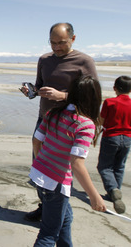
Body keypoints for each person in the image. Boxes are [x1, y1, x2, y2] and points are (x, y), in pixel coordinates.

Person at [20, 22, 99, 222]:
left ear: (73, 39)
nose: (56, 47)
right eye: (52, 43)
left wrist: (62, 96)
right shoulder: (44, 60)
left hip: (69, 125)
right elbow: (39, 87)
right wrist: (31, 92)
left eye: (61, 43)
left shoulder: (84, 61)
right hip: (46, 120)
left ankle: (58, 212)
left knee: (62, 170)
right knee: (40, 166)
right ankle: (45, 206)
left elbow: (91, 94)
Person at [29, 75, 107, 246]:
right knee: (48, 235)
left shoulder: (53, 113)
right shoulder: (85, 124)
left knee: (65, 217)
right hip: (55, 183)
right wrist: (94, 197)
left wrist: (41, 162)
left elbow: (36, 140)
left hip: (39, 175)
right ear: (94, 98)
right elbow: (77, 164)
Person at [97, 75, 131, 214]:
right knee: (119, 166)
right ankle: (114, 194)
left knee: (104, 167)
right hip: (127, 138)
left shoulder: (109, 102)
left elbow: (101, 121)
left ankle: (113, 190)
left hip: (111, 136)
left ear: (114, 88)